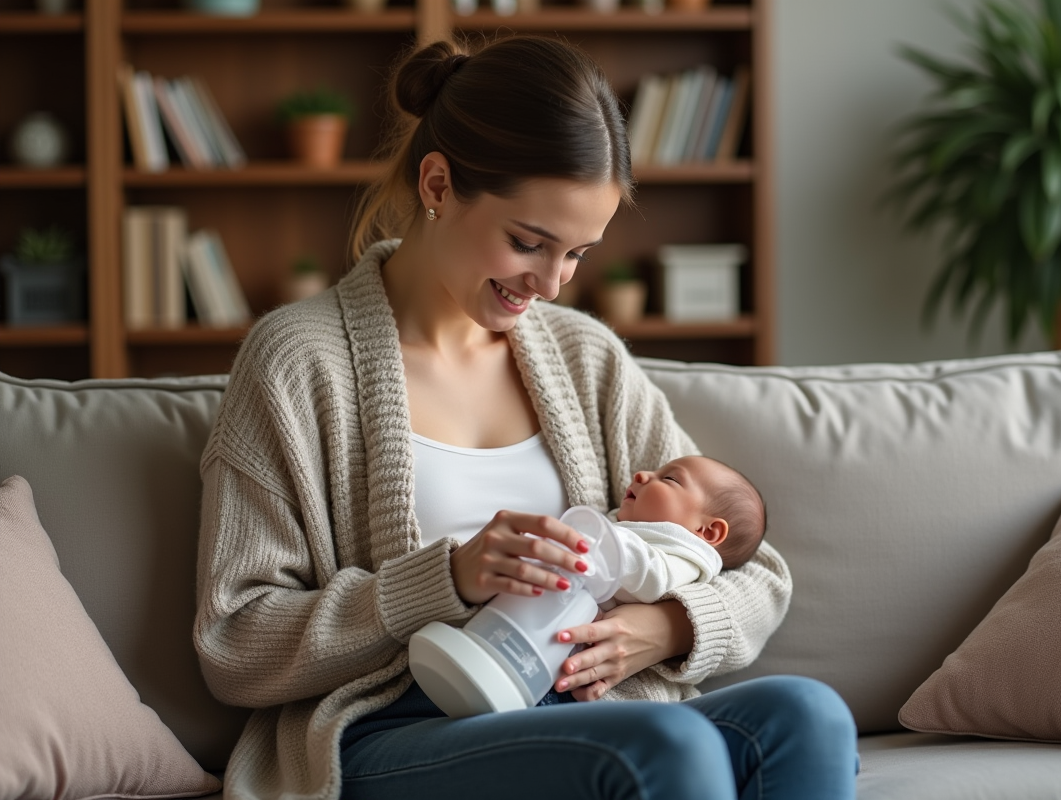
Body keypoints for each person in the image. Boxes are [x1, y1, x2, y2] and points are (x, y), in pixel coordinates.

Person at [193, 34, 858, 800]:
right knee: (661, 746)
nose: (551, 283)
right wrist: (444, 578)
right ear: (438, 184)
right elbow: (234, 641)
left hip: (584, 710)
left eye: (577, 254)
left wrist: (668, 627)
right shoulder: (297, 361)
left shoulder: (585, 358)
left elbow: (753, 569)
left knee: (809, 716)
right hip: (398, 724)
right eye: (528, 243)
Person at [604, 455, 766, 605]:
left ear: (708, 531)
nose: (640, 474)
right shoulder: (624, 521)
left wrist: (605, 541)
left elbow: (653, 578)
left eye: (669, 478)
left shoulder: (687, 560)